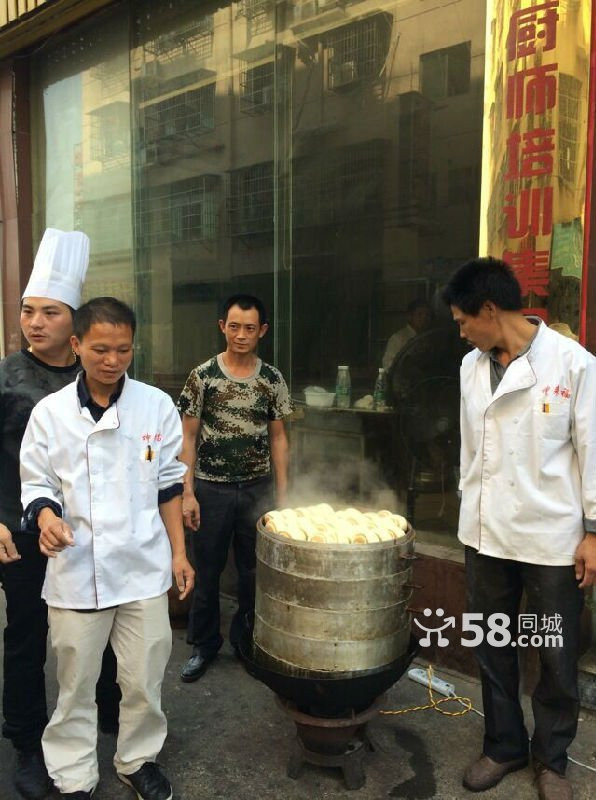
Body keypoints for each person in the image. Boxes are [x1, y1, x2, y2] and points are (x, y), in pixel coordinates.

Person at [20, 297, 195, 800]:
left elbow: (168, 486)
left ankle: (137, 758)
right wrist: (49, 518)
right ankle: (73, 773)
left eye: (122, 350)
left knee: (143, 676)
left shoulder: (155, 405)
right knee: (76, 682)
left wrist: (179, 554)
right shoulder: (49, 414)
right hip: (77, 567)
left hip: (143, 565)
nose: (111, 360)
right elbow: (36, 484)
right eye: (100, 348)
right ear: (76, 345)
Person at [442, 257, 596, 800]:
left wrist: (594, 531)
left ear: (490, 309)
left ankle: (552, 758)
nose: (461, 331)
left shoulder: (573, 364)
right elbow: (470, 447)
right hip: (485, 531)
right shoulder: (471, 367)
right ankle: (503, 743)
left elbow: (592, 450)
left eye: (464, 320)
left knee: (556, 650)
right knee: (492, 642)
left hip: (551, 535)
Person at [0, 229, 120, 800]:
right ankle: (26, 741)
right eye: (28, 311)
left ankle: (108, 716)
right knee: (27, 635)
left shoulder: (95, 375)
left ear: (75, 324)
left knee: (98, 627)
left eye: (50, 311)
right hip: (20, 532)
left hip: (89, 533)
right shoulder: (5, 378)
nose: (35, 322)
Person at [177, 293, 292, 683]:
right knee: (207, 571)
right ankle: (203, 645)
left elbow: (278, 438)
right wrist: (187, 491)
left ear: (262, 331)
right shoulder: (203, 376)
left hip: (257, 489)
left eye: (249, 328)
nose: (240, 335)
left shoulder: (271, 379)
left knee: (252, 572)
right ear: (222, 327)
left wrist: (283, 493)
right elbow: (187, 438)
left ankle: (246, 642)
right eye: (234, 326)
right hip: (211, 489)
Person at [381, 298, 432, 372]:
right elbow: (388, 365)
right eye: (419, 315)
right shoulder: (398, 338)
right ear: (410, 317)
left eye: (427, 315)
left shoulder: (432, 338)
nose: (424, 318)